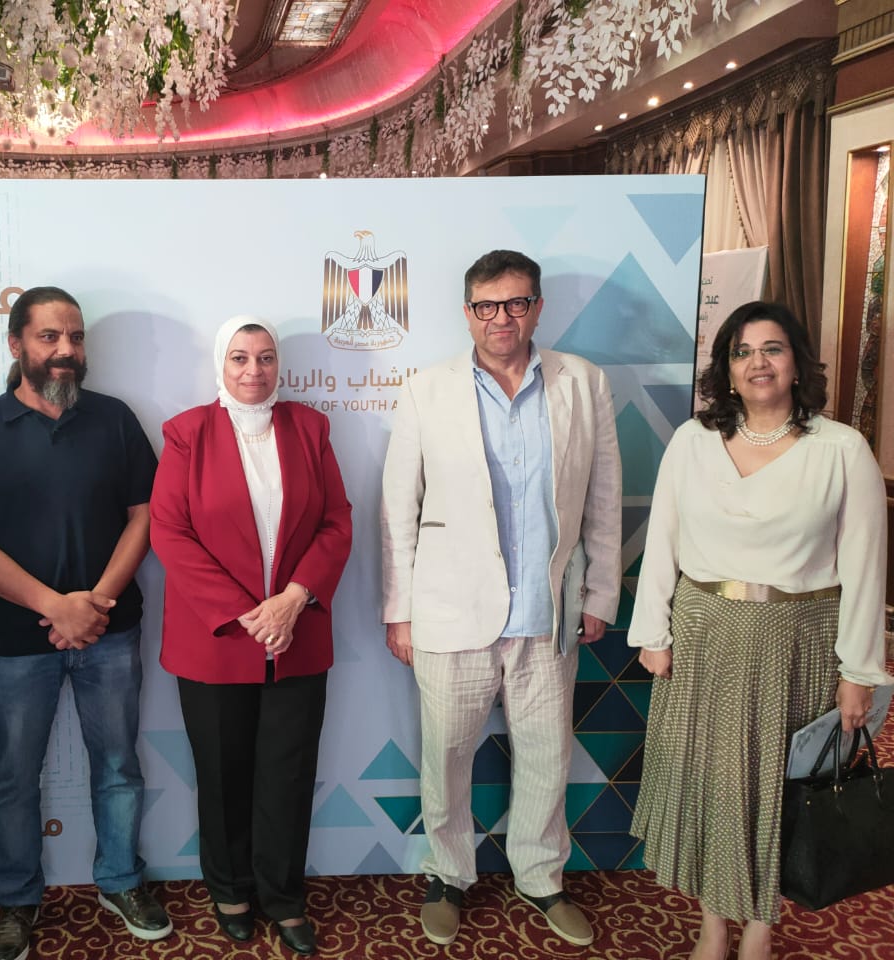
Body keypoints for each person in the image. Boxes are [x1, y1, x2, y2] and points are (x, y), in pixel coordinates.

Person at [628, 300, 892, 960]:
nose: (758, 363)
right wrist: (652, 633)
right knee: (713, 788)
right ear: (727, 368)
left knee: (774, 793)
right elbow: (662, 540)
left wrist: (860, 671)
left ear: (797, 362)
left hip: (796, 641)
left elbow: (865, 569)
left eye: (772, 348)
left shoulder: (841, 449)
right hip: (703, 634)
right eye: (742, 352)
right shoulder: (692, 441)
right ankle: (714, 924)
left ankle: (760, 928)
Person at [380, 249, 621, 948]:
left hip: (548, 614)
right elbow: (398, 510)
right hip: (449, 612)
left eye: (516, 303)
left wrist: (600, 591)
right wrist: (400, 611)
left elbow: (604, 498)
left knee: (547, 756)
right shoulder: (426, 390)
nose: (501, 318)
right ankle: (449, 874)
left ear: (537, 308)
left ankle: (541, 877)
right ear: (468, 313)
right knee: (446, 756)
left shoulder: (584, 383)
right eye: (487, 305)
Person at [0, 286, 171, 960]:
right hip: (18, 640)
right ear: (16, 344)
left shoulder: (115, 420)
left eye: (75, 337)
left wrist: (93, 604)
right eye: (49, 337)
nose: (66, 350)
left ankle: (120, 880)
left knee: (118, 765)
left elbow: (146, 515)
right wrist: (54, 606)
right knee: (14, 775)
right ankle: (16, 899)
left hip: (110, 631)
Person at [149, 316, 352, 957]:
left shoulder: (309, 428)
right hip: (216, 642)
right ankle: (231, 890)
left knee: (288, 776)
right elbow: (169, 532)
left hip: (297, 634)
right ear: (222, 363)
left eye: (265, 358)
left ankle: (284, 897)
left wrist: (293, 599)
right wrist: (247, 614)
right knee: (222, 774)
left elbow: (336, 521)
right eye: (240, 358)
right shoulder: (187, 433)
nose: (253, 371)